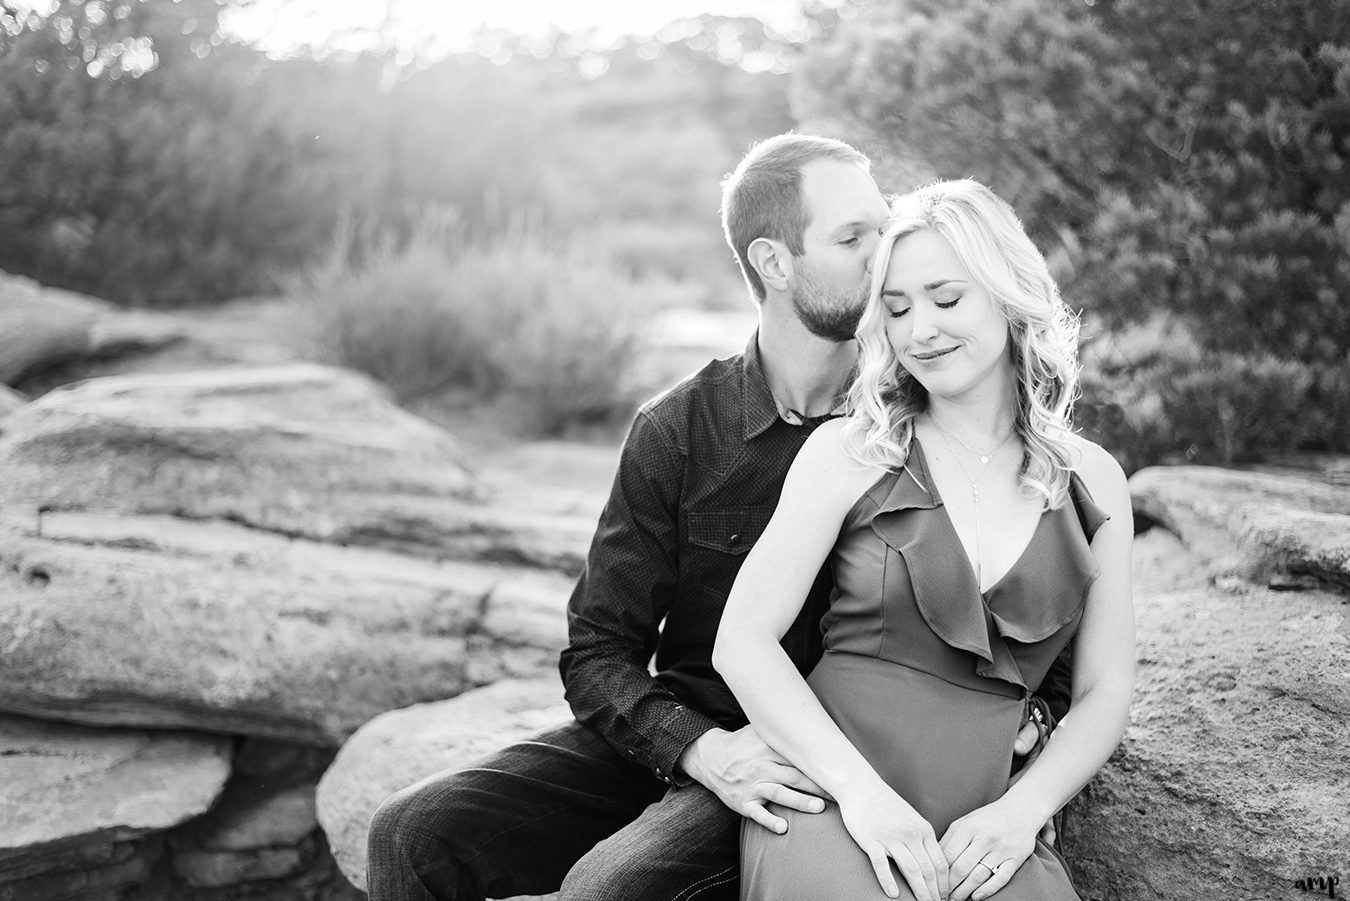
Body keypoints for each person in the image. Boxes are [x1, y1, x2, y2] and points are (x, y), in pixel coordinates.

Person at [365, 139, 1063, 901]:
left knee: (612, 888)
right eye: (852, 236)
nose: (884, 253)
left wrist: (1032, 724)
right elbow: (598, 649)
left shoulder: (927, 422)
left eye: (884, 226)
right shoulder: (680, 427)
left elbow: (1029, 595)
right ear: (774, 261)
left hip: (826, 757)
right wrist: (696, 748)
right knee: (410, 833)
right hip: (692, 734)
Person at [713, 180, 1135, 901]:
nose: (920, 331)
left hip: (989, 817)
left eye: (946, 298)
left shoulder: (1093, 479)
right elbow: (743, 641)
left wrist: (1024, 808)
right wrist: (859, 795)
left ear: (1006, 292)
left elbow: (1103, 690)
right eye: (898, 308)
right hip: (834, 795)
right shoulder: (849, 452)